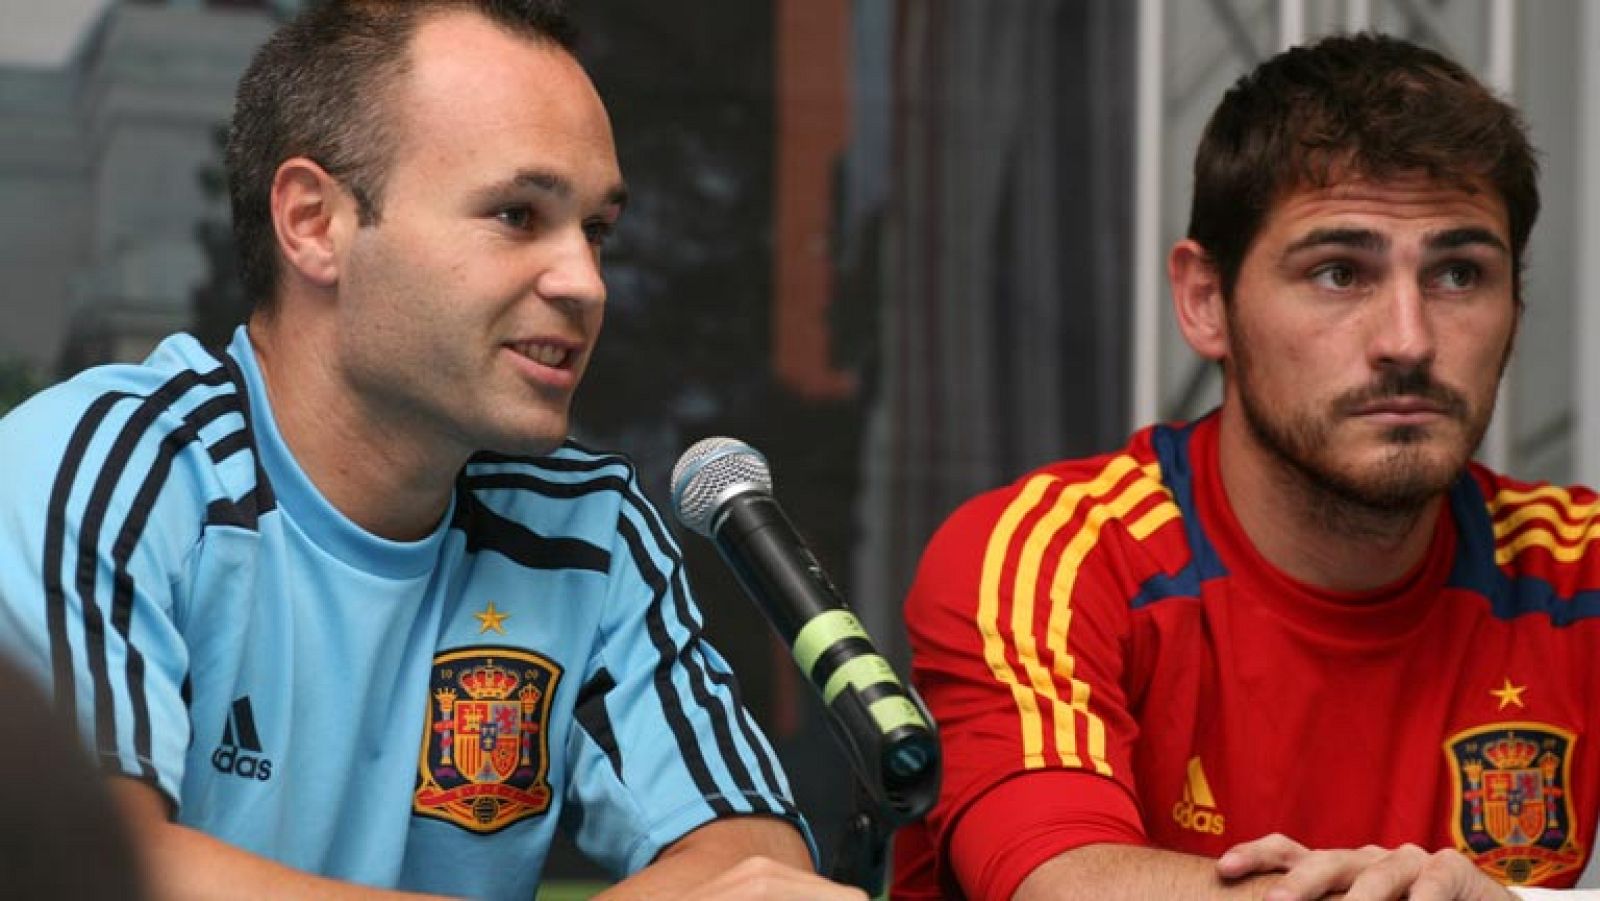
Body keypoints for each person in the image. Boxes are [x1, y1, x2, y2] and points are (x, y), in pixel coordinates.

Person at [0, 2, 863, 899]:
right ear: (313, 222)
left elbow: (754, 862)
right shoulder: (102, 469)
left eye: (596, 230)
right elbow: (97, 873)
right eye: (517, 214)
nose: (585, 283)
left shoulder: (587, 526)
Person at [891, 32, 1600, 900]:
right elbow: (1061, 883)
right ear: (1205, 303)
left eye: (1459, 273)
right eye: (1340, 272)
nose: (1409, 341)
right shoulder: (1054, 555)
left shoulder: (1578, 569)